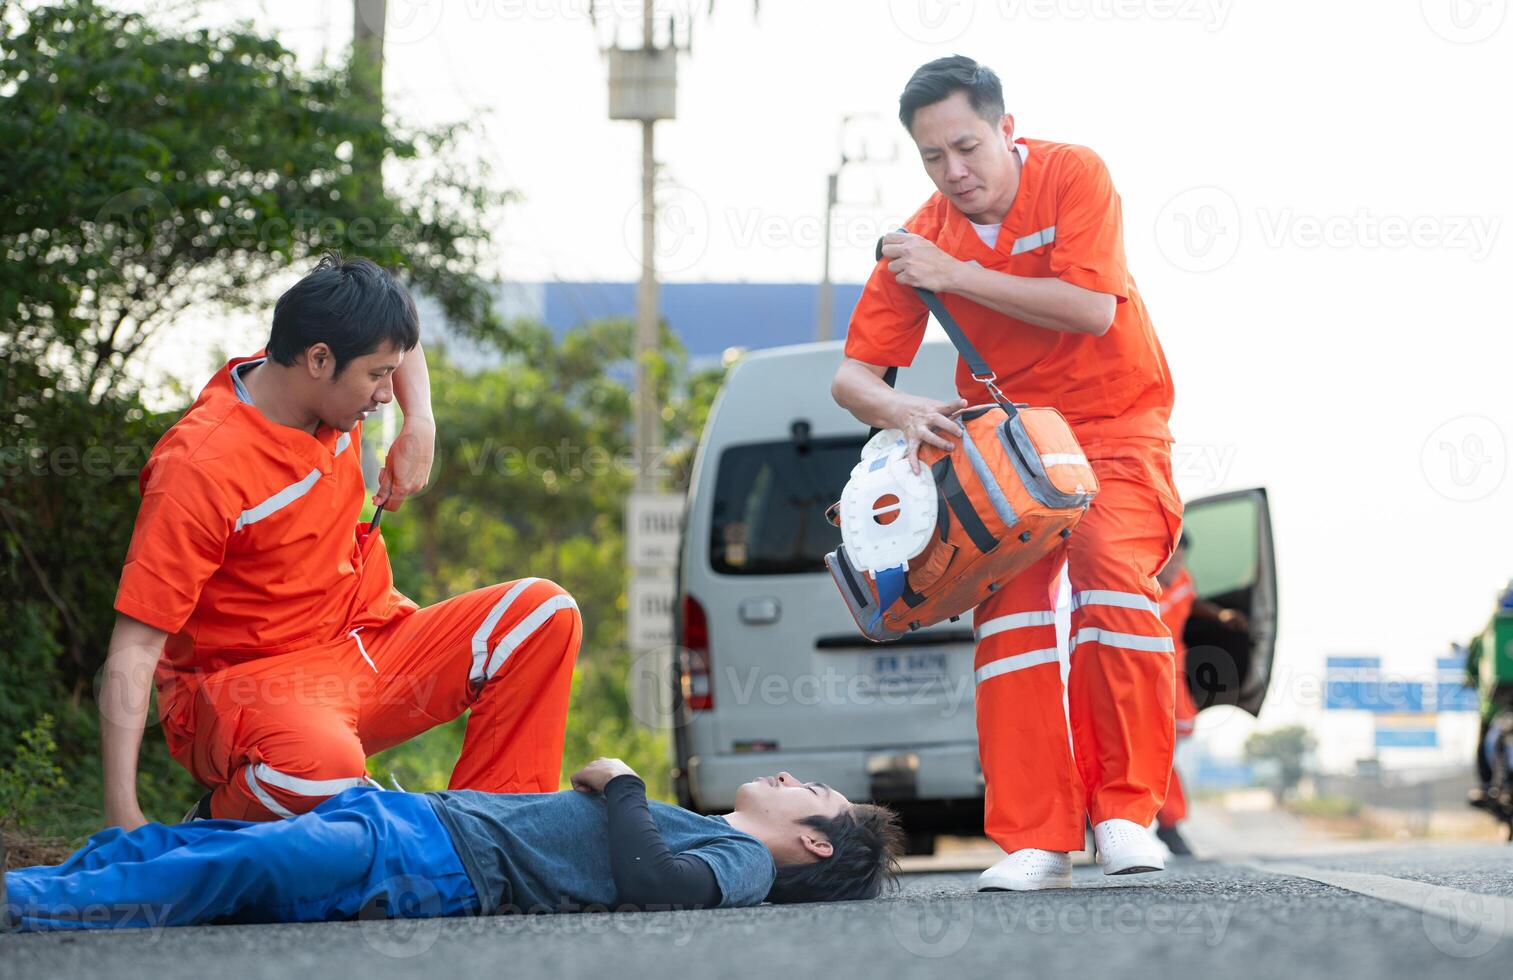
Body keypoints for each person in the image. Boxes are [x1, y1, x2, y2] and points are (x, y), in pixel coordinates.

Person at [831, 56, 1184, 890]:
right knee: (1013, 622)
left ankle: (1126, 816)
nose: (953, 173)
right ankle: (1034, 835)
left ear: (1005, 130)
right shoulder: (920, 237)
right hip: (1007, 450)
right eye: (930, 157)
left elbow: (1092, 307)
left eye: (966, 147)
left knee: (1109, 583)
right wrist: (900, 411)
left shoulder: (1073, 175)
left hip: (1113, 428)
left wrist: (953, 276)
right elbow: (852, 376)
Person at [100, 253, 583, 828]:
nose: (385, 394)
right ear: (319, 360)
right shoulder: (199, 468)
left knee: (544, 613)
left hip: (367, 645)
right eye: (377, 376)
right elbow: (134, 645)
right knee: (321, 769)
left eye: (390, 374)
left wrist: (420, 421)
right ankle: (214, 825)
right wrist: (121, 813)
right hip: (248, 690)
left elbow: (399, 344)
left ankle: (496, 836)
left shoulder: (320, 379)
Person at [1, 760, 903, 931]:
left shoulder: (741, 864)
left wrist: (623, 783)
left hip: (432, 861)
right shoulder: (721, 835)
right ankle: (43, 882)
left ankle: (27, 909)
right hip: (421, 825)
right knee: (195, 844)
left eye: (812, 793)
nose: (791, 779)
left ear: (815, 847)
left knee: (231, 867)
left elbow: (654, 889)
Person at [1153, 533, 1247, 855]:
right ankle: (1162, 825)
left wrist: (1220, 615)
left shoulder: (1181, 579)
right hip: (1138, 673)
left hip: (1171, 672)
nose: (1177, 565)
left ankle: (1164, 822)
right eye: (1173, 559)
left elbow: (1190, 601)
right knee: (1146, 748)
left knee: (1168, 746)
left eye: (1181, 558)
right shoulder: (1135, 584)